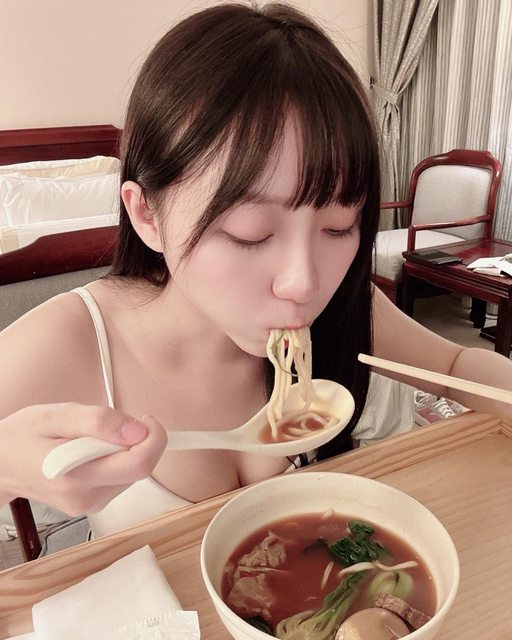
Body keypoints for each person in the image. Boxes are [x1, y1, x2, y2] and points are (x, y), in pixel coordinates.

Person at [1, 2, 511, 538]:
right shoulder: (77, 339)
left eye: (338, 227)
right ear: (148, 214)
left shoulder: (345, 307)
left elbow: (455, 365)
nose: (304, 283)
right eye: (251, 233)